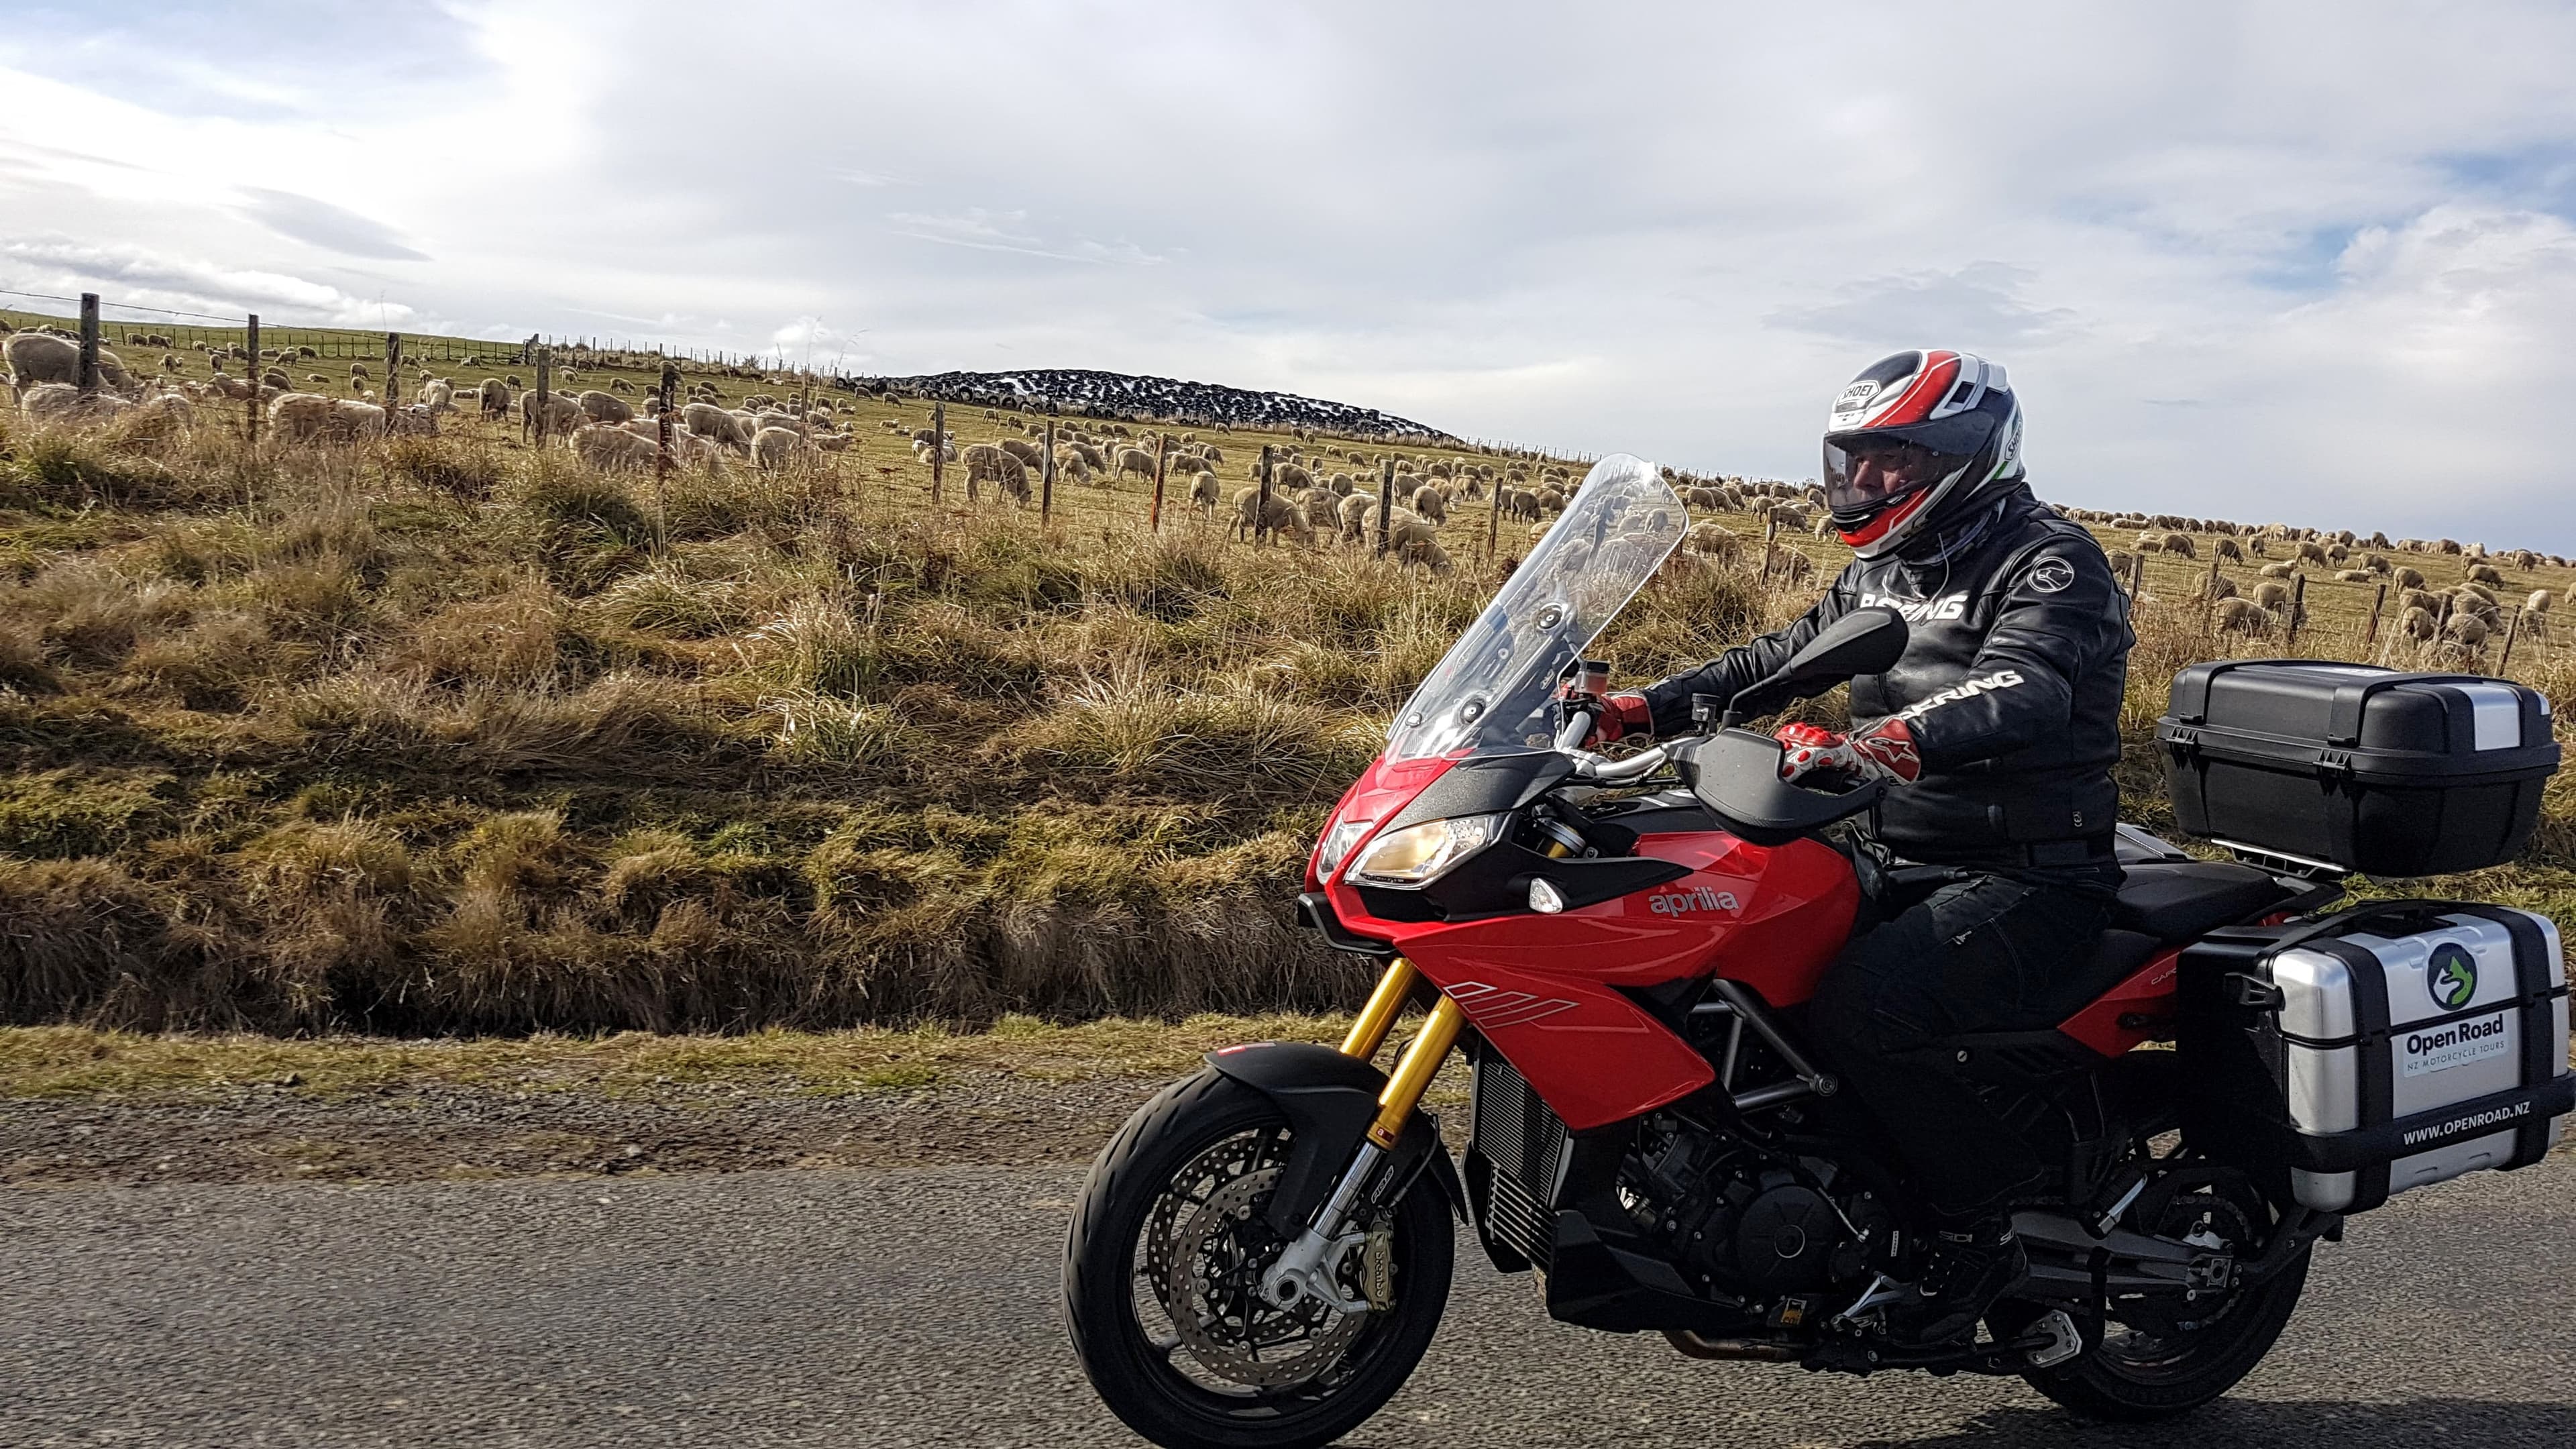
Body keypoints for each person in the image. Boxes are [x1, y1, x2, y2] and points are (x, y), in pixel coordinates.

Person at [1581, 349, 2133, 1345]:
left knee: (1865, 1011)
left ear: (1963, 454)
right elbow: (1779, 661)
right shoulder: (1884, 565)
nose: (1864, 483)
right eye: (1854, 461)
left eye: (1890, 460)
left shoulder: (2050, 561)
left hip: (2026, 873)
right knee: (1742, 985)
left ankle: (1990, 1229)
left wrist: (1889, 741)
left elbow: (2029, 683)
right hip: (1895, 855)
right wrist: (1637, 708)